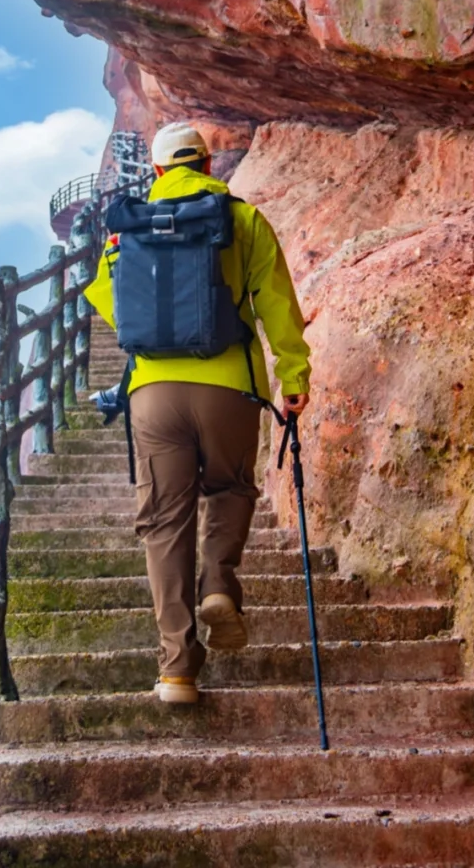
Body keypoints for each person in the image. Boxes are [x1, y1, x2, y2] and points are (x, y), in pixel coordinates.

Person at [84, 122, 311, 705]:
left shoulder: (126, 230)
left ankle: (177, 670)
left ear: (157, 172)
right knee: (231, 487)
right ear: (209, 166)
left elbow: (112, 304)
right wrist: (294, 379)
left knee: (163, 522)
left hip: (153, 394)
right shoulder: (243, 219)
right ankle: (218, 584)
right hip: (229, 384)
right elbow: (278, 307)